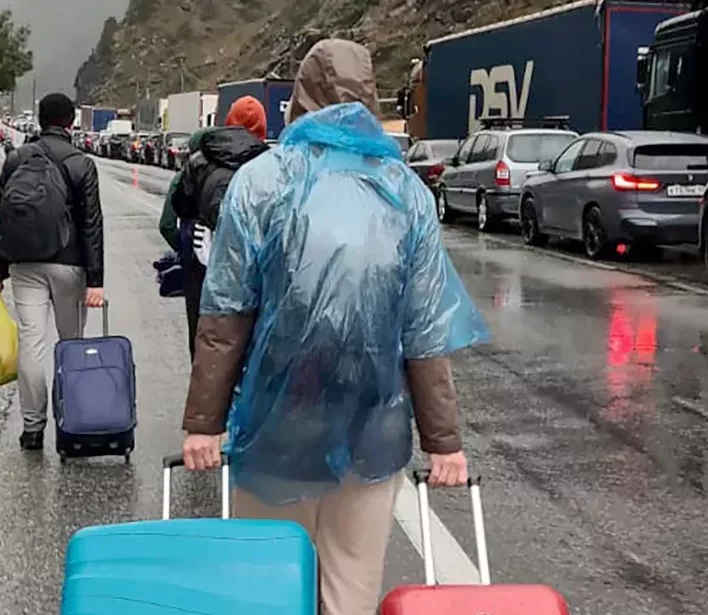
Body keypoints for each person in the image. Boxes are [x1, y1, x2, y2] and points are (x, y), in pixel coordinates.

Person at [179, 39, 488, 615]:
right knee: (349, 590)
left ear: (299, 100)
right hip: (372, 425)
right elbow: (424, 330)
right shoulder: (407, 193)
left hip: (277, 422)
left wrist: (204, 424)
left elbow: (225, 314)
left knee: (265, 588)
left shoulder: (261, 181)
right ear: (369, 98)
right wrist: (444, 441)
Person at [0, 93, 105, 451]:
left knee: (31, 344)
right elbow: (91, 226)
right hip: (69, 266)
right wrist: (96, 281)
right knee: (70, 346)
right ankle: (71, 425)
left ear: (40, 120)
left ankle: (33, 428)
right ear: (71, 122)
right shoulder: (81, 163)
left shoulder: (16, 159)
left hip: (25, 265)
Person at [169, 96, 269, 359]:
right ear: (261, 129)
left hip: (203, 265)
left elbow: (180, 207)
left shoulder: (200, 161)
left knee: (205, 342)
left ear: (228, 122)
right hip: (253, 267)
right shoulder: (269, 164)